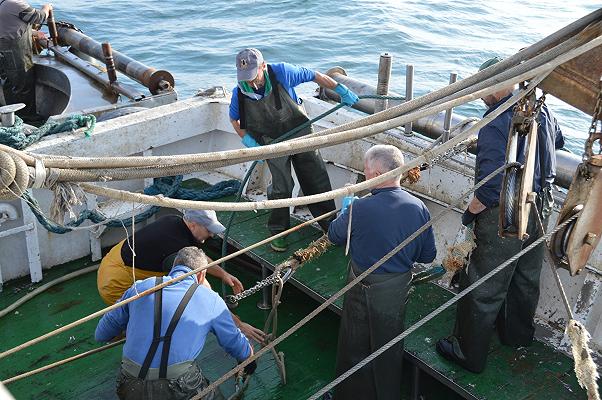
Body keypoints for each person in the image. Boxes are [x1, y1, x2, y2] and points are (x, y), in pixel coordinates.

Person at [435, 56, 565, 373]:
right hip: (540, 207)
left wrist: (469, 214)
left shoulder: (494, 123)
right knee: (525, 277)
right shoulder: (541, 109)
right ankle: (516, 336)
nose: (481, 95)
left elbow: (489, 190)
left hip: (504, 215)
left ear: (498, 86)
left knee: (483, 286)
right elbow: (558, 141)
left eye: (484, 88)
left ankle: (467, 353)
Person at [328, 144, 437, 400]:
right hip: (395, 289)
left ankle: (347, 394)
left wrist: (346, 213)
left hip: (360, 282)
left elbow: (334, 235)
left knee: (353, 343)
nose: (364, 176)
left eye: (366, 171)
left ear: (376, 174)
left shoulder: (360, 208)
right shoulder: (419, 208)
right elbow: (427, 256)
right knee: (387, 346)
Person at [229, 48, 360, 252]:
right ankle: (279, 231)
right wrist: (249, 141)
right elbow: (234, 119)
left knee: (315, 177)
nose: (251, 83)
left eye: (254, 76)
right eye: (246, 78)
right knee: (281, 186)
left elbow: (315, 76)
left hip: (300, 131)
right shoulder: (239, 92)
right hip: (272, 141)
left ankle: (329, 226)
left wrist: (340, 89)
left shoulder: (283, 72)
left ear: (263, 66)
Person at [96, 246, 256, 400]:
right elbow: (235, 343)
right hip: (179, 386)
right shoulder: (210, 299)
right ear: (202, 275)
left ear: (174, 267)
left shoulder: (139, 287)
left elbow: (101, 334)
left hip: (130, 382)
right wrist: (249, 357)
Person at [97, 209, 265, 343]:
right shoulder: (174, 251)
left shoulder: (175, 221)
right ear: (193, 224)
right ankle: (122, 334)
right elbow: (207, 296)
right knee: (156, 320)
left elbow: (195, 256)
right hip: (117, 281)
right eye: (208, 230)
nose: (212, 235)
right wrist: (239, 325)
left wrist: (223, 274)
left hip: (116, 257)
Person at [0, 0, 51, 114]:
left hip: (3, 47)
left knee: (8, 81)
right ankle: (27, 118)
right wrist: (46, 7)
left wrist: (33, 32)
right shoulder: (14, 3)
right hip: (15, 50)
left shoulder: (3, 3)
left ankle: (11, 115)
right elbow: (39, 17)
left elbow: (9, 23)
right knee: (23, 84)